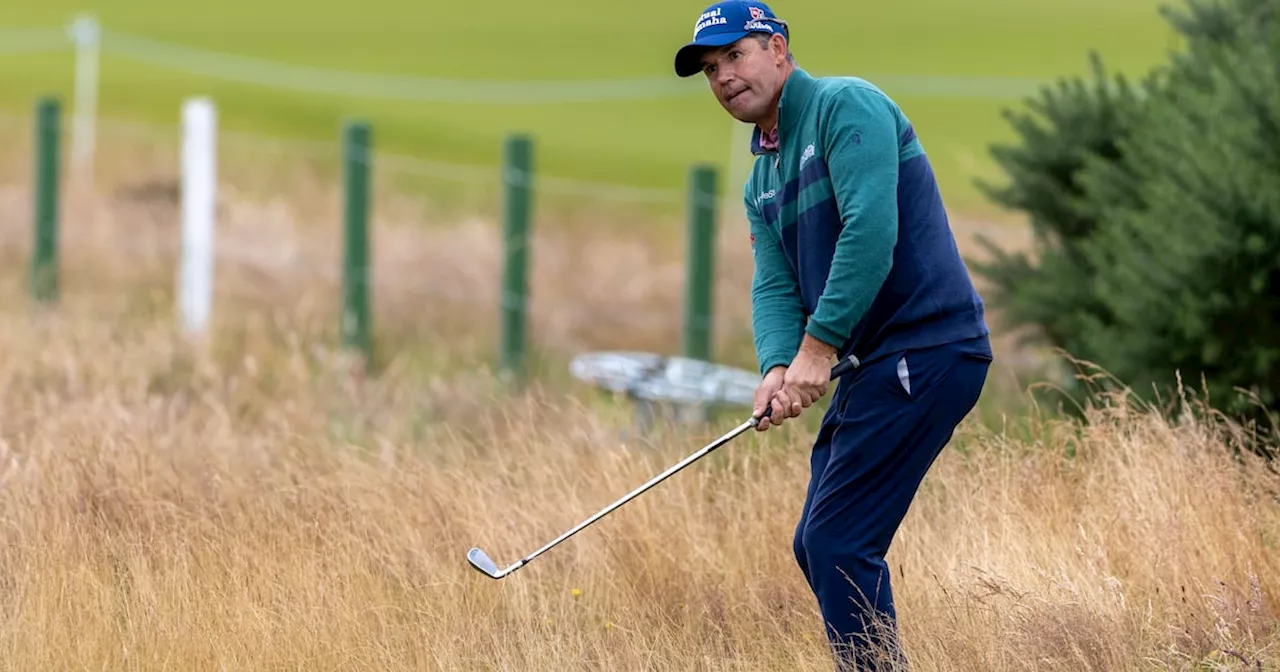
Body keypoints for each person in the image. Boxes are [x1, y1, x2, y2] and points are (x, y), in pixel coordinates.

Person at [673, 1, 994, 668]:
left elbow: (870, 233)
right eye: (710, 69)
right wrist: (775, 366)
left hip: (928, 346)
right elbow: (775, 286)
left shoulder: (847, 106)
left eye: (736, 55)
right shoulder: (762, 177)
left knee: (840, 542)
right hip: (877, 361)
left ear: (780, 51)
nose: (724, 77)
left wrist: (817, 351)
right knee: (815, 542)